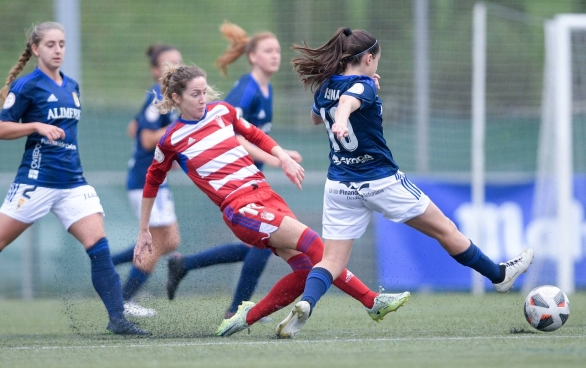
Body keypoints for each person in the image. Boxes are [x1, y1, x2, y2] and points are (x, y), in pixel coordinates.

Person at [276, 27, 535, 337]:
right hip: (381, 181)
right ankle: (499, 276)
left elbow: (318, 117)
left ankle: (307, 304)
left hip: (340, 187)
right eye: (377, 60)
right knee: (445, 230)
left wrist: (343, 110)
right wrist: (345, 115)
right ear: (368, 57)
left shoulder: (326, 87)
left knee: (331, 261)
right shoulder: (363, 87)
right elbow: (346, 105)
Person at [133, 64, 409, 338]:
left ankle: (247, 316)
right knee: (314, 243)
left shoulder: (222, 112)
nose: (203, 99)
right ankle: (372, 301)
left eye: (205, 91)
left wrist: (284, 158)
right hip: (240, 208)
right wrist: (144, 228)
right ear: (177, 98)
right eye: (195, 94)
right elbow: (152, 181)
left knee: (306, 270)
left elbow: (254, 134)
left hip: (265, 194)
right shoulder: (171, 139)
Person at [0, 22, 147, 335]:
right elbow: (0, 130)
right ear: (36, 49)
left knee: (99, 246)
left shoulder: (73, 86)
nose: (58, 50)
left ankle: (117, 319)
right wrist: (35, 126)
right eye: (50, 44)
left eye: (62, 44)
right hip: (36, 180)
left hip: (73, 183)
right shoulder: (28, 86)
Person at [165, 22, 302, 320]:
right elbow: (234, 134)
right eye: (268, 50)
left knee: (258, 246)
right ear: (252, 56)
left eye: (278, 50)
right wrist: (275, 158)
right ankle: (235, 309)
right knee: (265, 246)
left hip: (253, 182)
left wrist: (279, 153)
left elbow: (256, 133)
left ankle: (185, 264)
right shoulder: (247, 89)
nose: (275, 55)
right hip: (235, 182)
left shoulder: (266, 88)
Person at [110, 44, 183, 318]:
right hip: (146, 181)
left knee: (171, 240)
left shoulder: (168, 97)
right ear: (156, 72)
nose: (174, 67)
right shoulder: (159, 95)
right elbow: (144, 138)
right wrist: (178, 131)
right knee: (157, 242)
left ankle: (107, 264)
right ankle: (123, 299)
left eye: (178, 62)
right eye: (168, 64)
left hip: (152, 180)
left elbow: (133, 128)